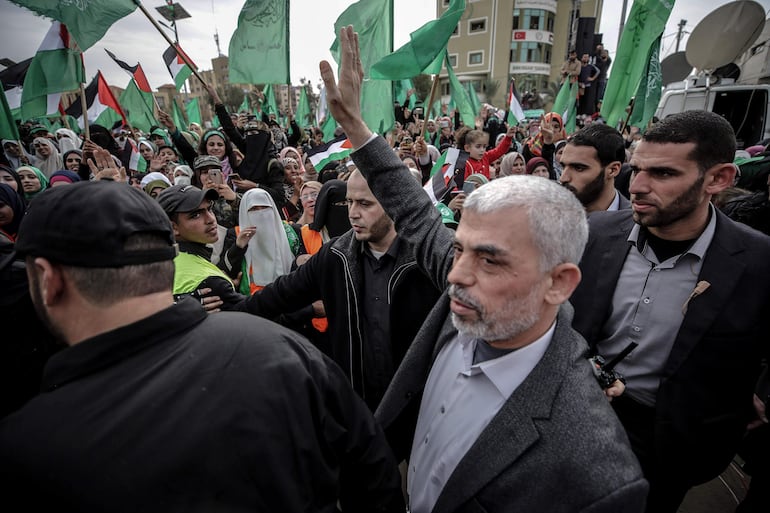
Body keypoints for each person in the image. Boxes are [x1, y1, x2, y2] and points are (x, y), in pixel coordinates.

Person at [322, 25, 648, 512]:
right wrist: (354, 124)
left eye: (490, 259)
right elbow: (414, 211)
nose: (455, 275)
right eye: (462, 250)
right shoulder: (469, 296)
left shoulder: (594, 473)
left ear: (559, 282)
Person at [0, 180, 405, 511]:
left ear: (46, 279)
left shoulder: (27, 446)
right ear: (165, 255)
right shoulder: (283, 351)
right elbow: (373, 473)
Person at [568, 110, 770, 513]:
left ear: (718, 178)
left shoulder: (758, 261)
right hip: (578, 414)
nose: (637, 185)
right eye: (637, 168)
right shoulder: (594, 234)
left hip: (671, 442)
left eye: (662, 174)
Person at [237, 169, 443, 411]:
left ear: (393, 202)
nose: (353, 213)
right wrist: (226, 314)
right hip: (358, 410)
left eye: (365, 204)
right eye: (349, 202)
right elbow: (278, 296)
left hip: (419, 409)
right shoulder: (335, 256)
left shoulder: (428, 259)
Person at [558, 123, 630, 211]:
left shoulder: (636, 221)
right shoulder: (549, 217)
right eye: (563, 166)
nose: (563, 178)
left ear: (612, 170)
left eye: (579, 168)